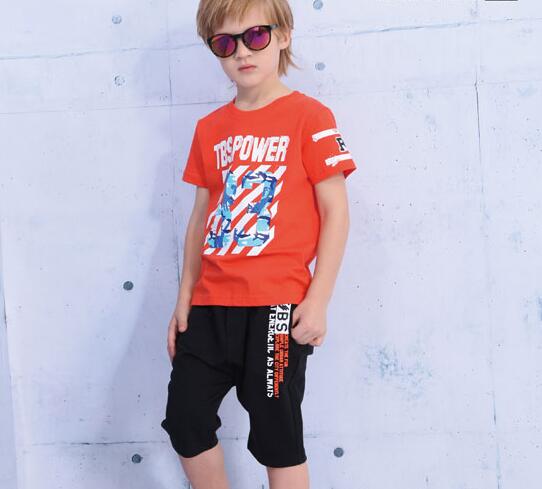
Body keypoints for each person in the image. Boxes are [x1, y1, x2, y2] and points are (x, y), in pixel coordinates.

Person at [160, 1, 357, 487]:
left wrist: (318, 300)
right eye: (225, 43)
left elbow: (336, 213)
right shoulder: (210, 129)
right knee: (185, 420)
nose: (242, 53)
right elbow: (200, 219)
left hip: (277, 306)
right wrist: (184, 299)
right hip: (210, 306)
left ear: (283, 35)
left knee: (276, 434)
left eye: (256, 36)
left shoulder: (310, 116)